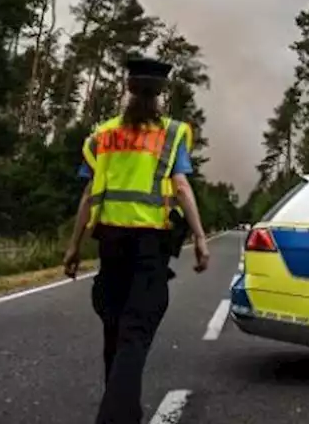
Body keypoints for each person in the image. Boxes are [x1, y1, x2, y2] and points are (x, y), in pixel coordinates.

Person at [62, 53, 211, 424]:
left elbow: (88, 194)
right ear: (160, 94)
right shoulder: (172, 133)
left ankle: (122, 407)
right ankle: (116, 417)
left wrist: (74, 246)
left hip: (109, 245)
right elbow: (180, 185)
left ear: (127, 90)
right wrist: (200, 237)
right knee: (135, 333)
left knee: (114, 330)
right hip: (149, 249)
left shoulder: (103, 134)